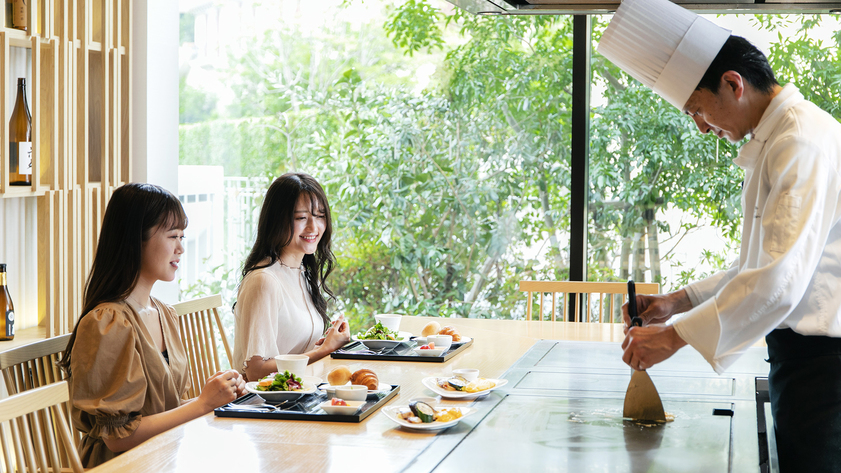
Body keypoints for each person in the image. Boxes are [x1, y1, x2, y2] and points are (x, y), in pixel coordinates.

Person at [599, 0, 841, 470]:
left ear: (733, 84)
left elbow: (777, 280)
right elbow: (756, 264)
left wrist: (672, 338)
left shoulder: (800, 141)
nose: (702, 128)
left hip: (826, 368)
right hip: (803, 360)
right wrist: (677, 302)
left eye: (698, 110)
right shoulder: (777, 138)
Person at [58, 183, 246, 468]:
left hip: (167, 455)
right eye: (173, 236)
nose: (181, 248)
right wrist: (202, 404)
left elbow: (165, 412)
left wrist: (217, 396)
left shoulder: (163, 312)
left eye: (182, 236)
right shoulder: (107, 322)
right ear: (136, 240)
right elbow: (118, 438)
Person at [234, 172, 350, 381]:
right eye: (301, 218)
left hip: (300, 393)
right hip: (270, 406)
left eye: (320, 215)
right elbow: (256, 372)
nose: (313, 227)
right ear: (277, 220)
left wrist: (329, 341)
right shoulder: (264, 281)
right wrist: (323, 350)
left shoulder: (301, 272)